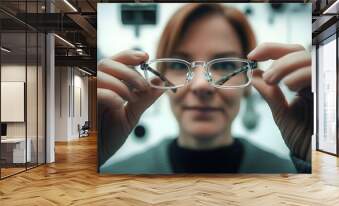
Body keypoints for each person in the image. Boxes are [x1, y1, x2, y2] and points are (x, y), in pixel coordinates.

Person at [97, 3, 312, 173]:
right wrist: (94, 152)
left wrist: (310, 157)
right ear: (159, 80)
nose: (201, 85)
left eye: (225, 65)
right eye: (177, 64)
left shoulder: (289, 173)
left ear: (249, 83)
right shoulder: (117, 174)